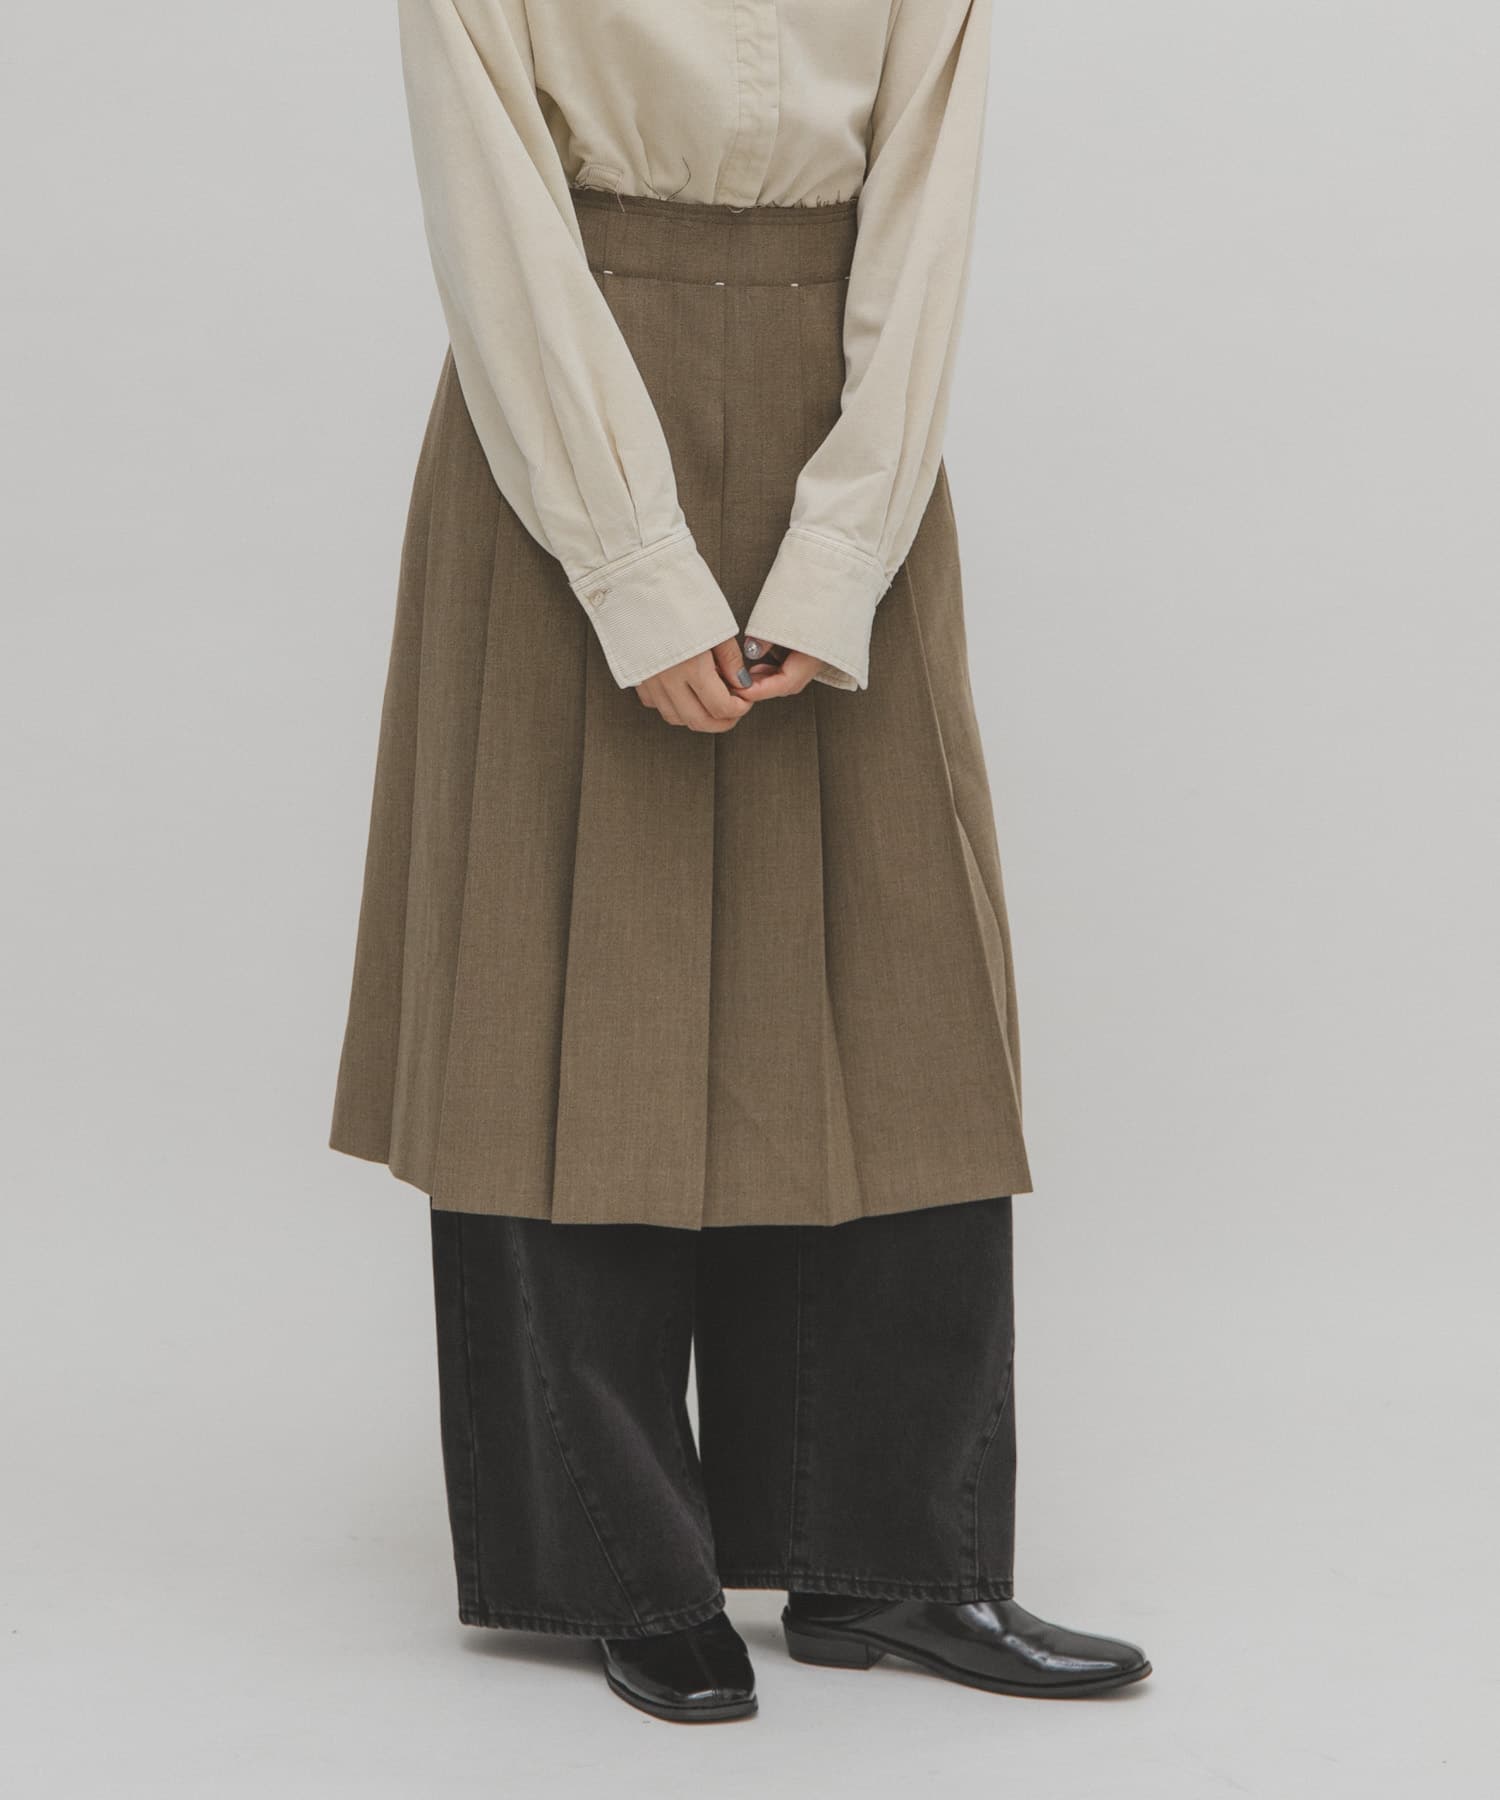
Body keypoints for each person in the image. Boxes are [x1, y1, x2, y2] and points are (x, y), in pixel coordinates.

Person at [330, 0, 1151, 1724]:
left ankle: (895, 1558)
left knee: (895, 983)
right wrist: (629, 563)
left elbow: (925, 212)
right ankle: (619, 1564)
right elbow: (496, 215)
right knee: (564, 972)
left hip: (842, 420)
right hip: (561, 412)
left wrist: (844, 545)